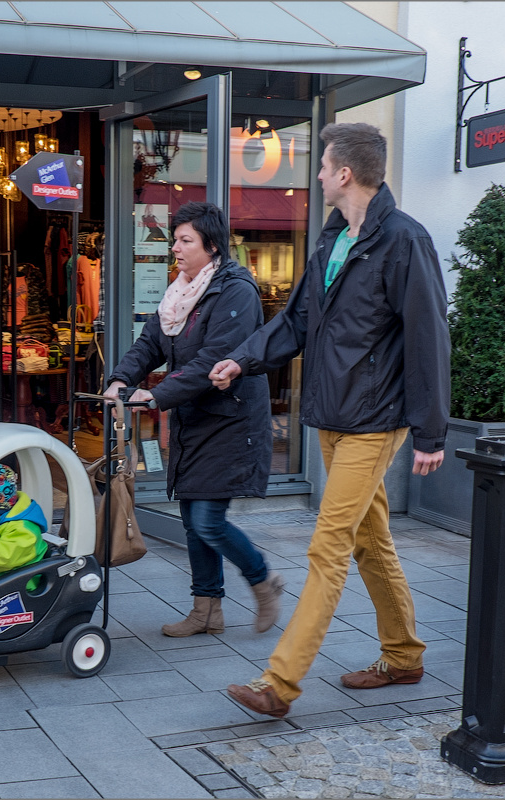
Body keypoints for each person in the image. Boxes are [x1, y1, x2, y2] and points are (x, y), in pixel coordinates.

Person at [209, 122, 450, 717]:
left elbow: (428, 336)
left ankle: (280, 684)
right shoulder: (334, 238)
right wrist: (241, 360)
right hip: (334, 418)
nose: (316, 175)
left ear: (345, 174)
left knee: (329, 547)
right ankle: (403, 657)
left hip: (375, 420)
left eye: (322, 166)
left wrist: (430, 430)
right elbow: (295, 322)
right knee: (372, 543)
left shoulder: (405, 241)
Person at [104, 201, 285, 636]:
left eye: (185, 241)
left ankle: (263, 580)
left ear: (211, 244)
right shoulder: (180, 292)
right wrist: (120, 379)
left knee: (208, 519)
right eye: (175, 240)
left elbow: (212, 359)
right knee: (191, 518)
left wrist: (158, 394)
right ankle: (207, 611)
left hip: (231, 419)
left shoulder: (234, 290)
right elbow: (149, 342)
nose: (176, 249)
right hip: (194, 417)